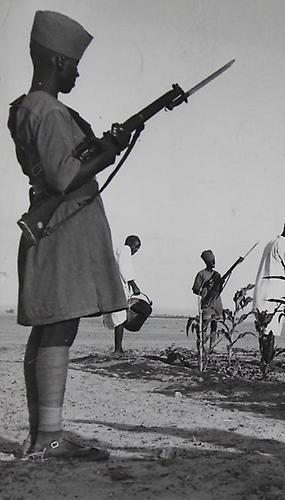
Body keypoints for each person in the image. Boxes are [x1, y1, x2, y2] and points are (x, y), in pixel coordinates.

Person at [8, 11, 131, 460]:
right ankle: (50, 438)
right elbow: (65, 176)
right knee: (59, 330)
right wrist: (111, 151)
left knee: (47, 331)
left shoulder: (24, 108)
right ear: (59, 61)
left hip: (50, 226)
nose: (77, 72)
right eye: (74, 64)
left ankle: (40, 435)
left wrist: (102, 146)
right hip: (64, 228)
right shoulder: (53, 111)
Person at [252, 220, 285, 336]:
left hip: (261, 296)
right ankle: (268, 355)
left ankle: (266, 355)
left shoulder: (271, 243)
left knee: (264, 334)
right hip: (273, 299)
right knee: (270, 335)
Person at [103, 235, 142, 355]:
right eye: (136, 246)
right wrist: (134, 285)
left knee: (118, 317)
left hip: (113, 288)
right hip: (118, 290)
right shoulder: (125, 250)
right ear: (130, 244)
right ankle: (118, 350)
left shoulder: (117, 251)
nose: (136, 250)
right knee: (120, 318)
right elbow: (125, 269)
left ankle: (118, 348)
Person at [192, 250, 224, 349]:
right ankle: (203, 346)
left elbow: (220, 288)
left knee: (214, 325)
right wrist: (202, 292)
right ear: (206, 262)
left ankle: (212, 347)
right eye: (211, 261)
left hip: (217, 302)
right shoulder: (201, 274)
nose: (213, 263)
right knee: (205, 325)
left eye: (213, 260)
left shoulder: (217, 275)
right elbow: (195, 289)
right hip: (207, 302)